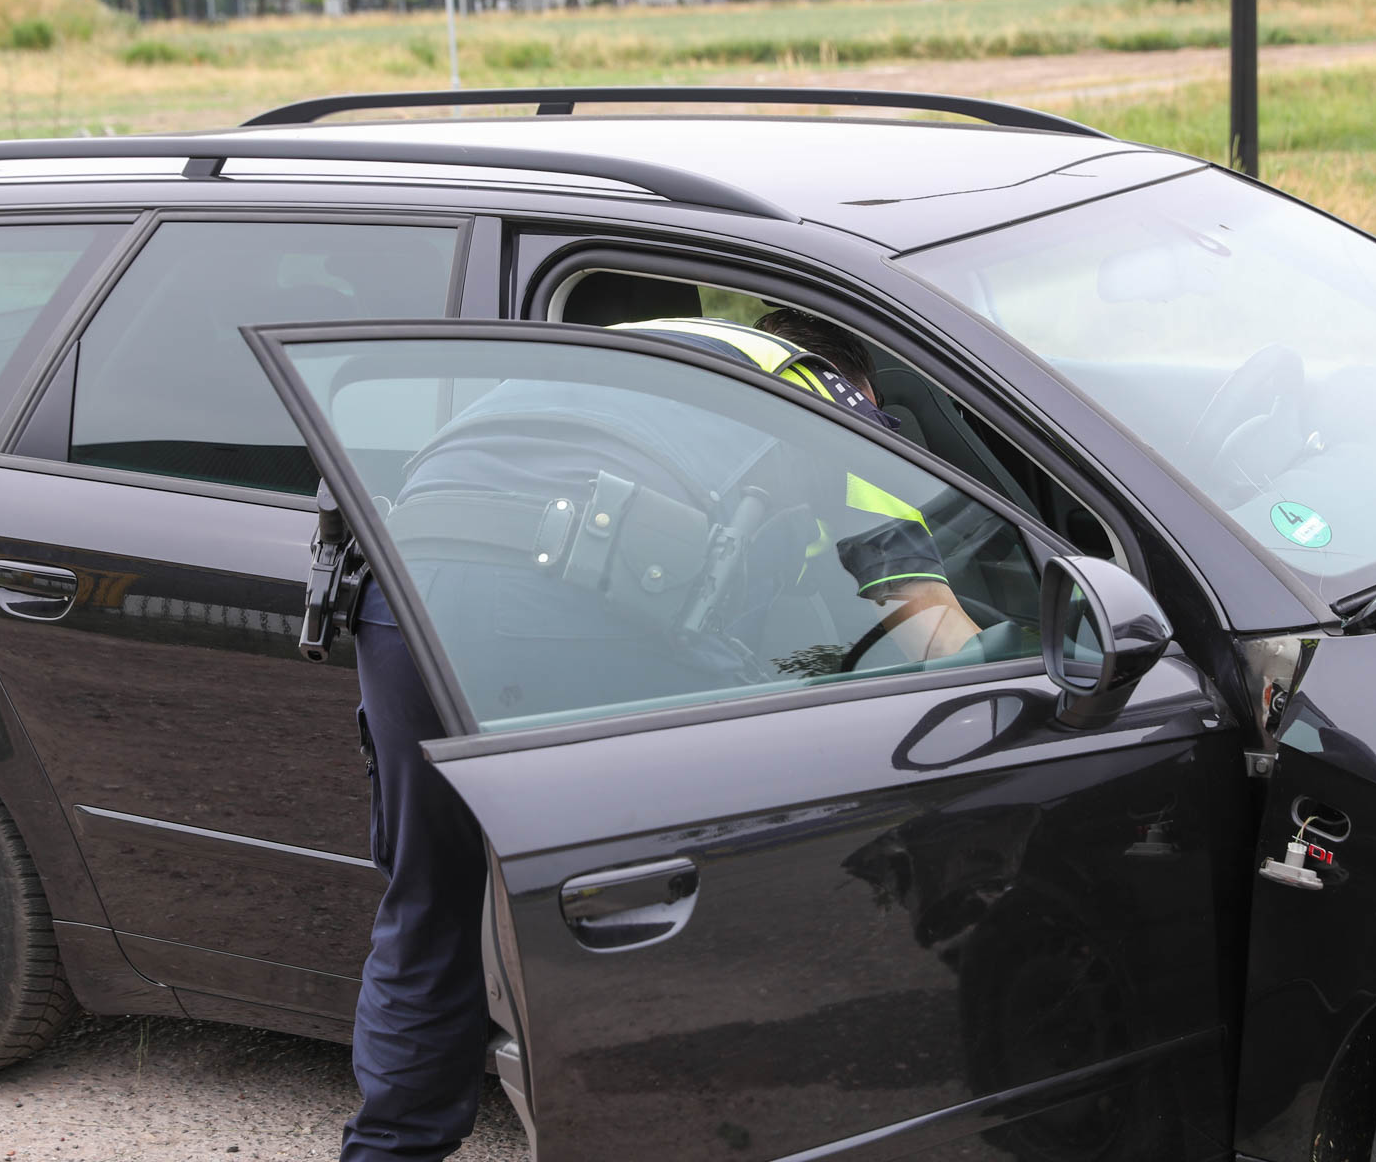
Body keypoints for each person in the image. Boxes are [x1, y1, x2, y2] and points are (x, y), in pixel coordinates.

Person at [339, 308, 982, 1161]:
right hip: (563, 593)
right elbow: (930, 628)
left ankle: (388, 1148)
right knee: (678, 899)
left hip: (400, 594)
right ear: (856, 383)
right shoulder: (822, 397)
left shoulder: (632, 346)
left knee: (431, 899)